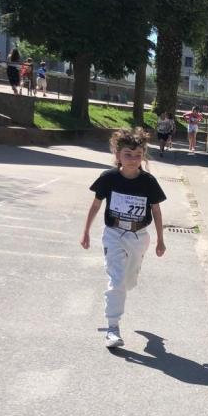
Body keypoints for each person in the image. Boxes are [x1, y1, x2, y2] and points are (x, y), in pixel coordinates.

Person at [80, 128, 167, 349]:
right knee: (117, 280)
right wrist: (86, 231)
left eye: (138, 155)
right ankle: (113, 328)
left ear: (143, 156)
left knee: (129, 281)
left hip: (138, 236)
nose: (133, 159)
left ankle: (127, 283)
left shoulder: (148, 181)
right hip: (114, 234)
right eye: (128, 154)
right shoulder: (108, 178)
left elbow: (156, 210)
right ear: (118, 155)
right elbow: (96, 204)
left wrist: (160, 239)